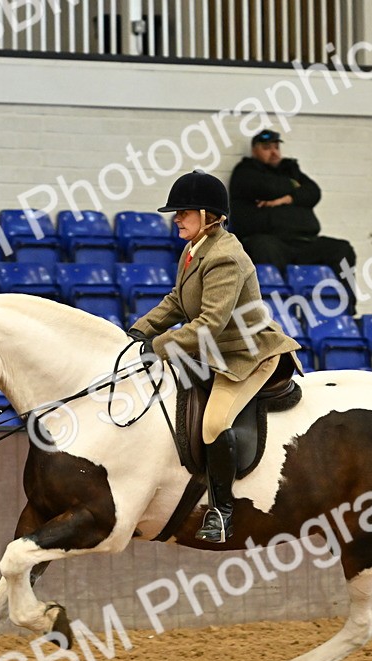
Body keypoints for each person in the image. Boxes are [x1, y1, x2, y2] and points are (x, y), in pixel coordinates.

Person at [129, 170, 301, 544]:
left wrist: (157, 348)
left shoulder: (225, 257)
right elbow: (177, 301)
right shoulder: (194, 249)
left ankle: (222, 513)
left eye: (184, 212)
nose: (176, 218)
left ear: (208, 216)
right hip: (212, 354)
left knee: (213, 423)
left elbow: (208, 324)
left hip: (246, 357)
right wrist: (139, 331)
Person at [229, 129, 357, 310]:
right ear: (255, 151)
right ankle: (280, 310)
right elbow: (268, 187)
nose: (274, 152)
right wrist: (294, 189)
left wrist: (286, 199)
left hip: (304, 242)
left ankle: (346, 308)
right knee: (263, 247)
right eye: (267, 148)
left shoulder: (290, 169)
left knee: (342, 250)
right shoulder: (245, 172)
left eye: (276, 147)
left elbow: (314, 192)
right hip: (269, 241)